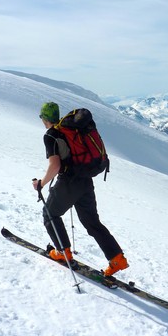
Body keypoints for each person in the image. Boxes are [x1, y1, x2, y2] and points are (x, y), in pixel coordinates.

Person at [32, 102, 129, 277]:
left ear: (45, 118)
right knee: (91, 222)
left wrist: (41, 183)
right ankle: (117, 259)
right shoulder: (71, 130)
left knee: (50, 214)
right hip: (85, 180)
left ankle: (63, 252)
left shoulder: (51, 135)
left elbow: (55, 165)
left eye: (41, 117)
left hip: (69, 182)